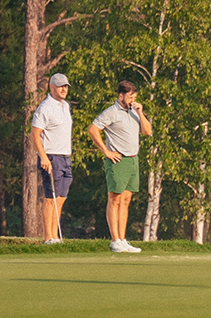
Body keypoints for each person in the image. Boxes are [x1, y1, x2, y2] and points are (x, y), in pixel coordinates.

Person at [87, 81, 153, 253]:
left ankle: (122, 240)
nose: (132, 100)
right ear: (121, 95)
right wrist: (106, 151)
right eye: (130, 97)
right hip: (117, 160)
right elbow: (93, 129)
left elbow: (147, 131)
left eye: (134, 97)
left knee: (126, 200)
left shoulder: (134, 112)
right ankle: (114, 239)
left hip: (133, 160)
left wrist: (140, 112)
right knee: (114, 199)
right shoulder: (111, 112)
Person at [29, 73, 74, 244]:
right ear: (51, 87)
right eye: (60, 86)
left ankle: (56, 236)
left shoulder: (65, 106)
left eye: (66, 86)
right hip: (51, 157)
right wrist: (43, 157)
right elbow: (35, 134)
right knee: (51, 198)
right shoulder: (45, 108)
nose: (64, 89)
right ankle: (48, 237)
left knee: (61, 198)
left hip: (65, 156)